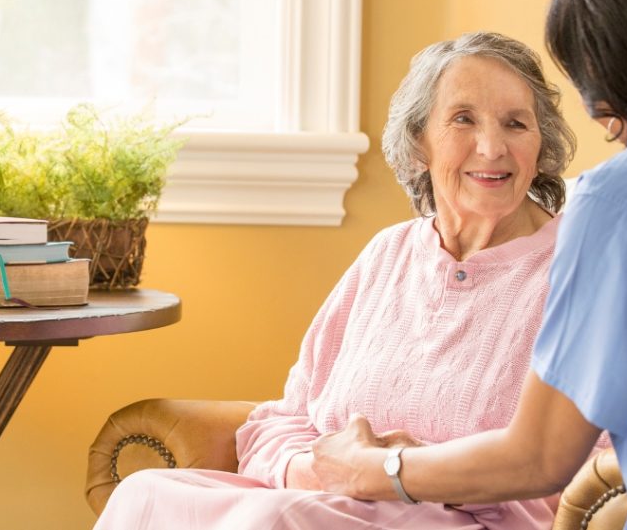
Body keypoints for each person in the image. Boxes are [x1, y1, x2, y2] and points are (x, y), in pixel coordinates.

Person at [94, 31, 590, 529]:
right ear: (418, 143)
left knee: (275, 519)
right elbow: (288, 416)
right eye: (464, 119)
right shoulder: (388, 254)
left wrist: (404, 475)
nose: (491, 146)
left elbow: (586, 468)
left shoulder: (579, 268)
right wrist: (313, 470)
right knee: (147, 494)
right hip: (319, 501)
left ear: (540, 144)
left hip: (466, 519)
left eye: (515, 123)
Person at [310, 0, 627, 530]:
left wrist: (374, 468)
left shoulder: (623, 201)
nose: (595, 109)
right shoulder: (389, 254)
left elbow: (543, 456)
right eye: (463, 119)